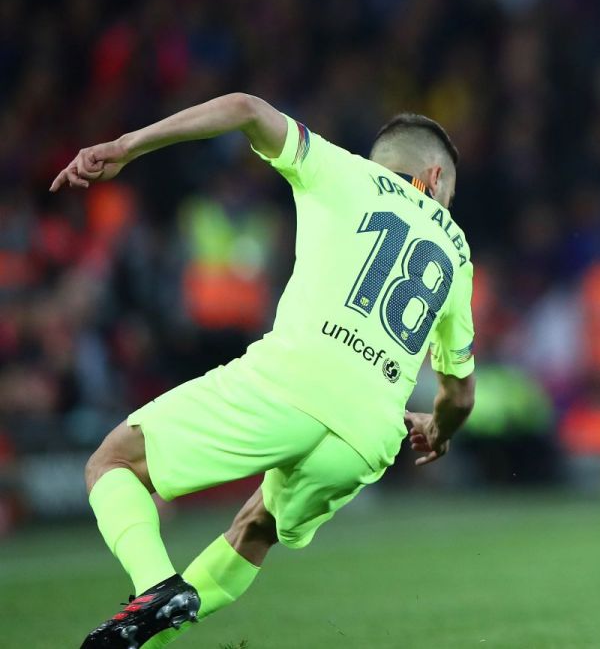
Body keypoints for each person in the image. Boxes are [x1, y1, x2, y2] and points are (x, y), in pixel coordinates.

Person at [51, 93, 477, 648]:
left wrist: (128, 146)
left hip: (291, 385)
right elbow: (461, 396)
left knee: (112, 463)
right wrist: (437, 431)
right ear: (436, 175)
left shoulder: (339, 169)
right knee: (256, 528)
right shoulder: (457, 249)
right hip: (370, 436)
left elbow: (247, 109)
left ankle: (154, 584)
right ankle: (136, 638)